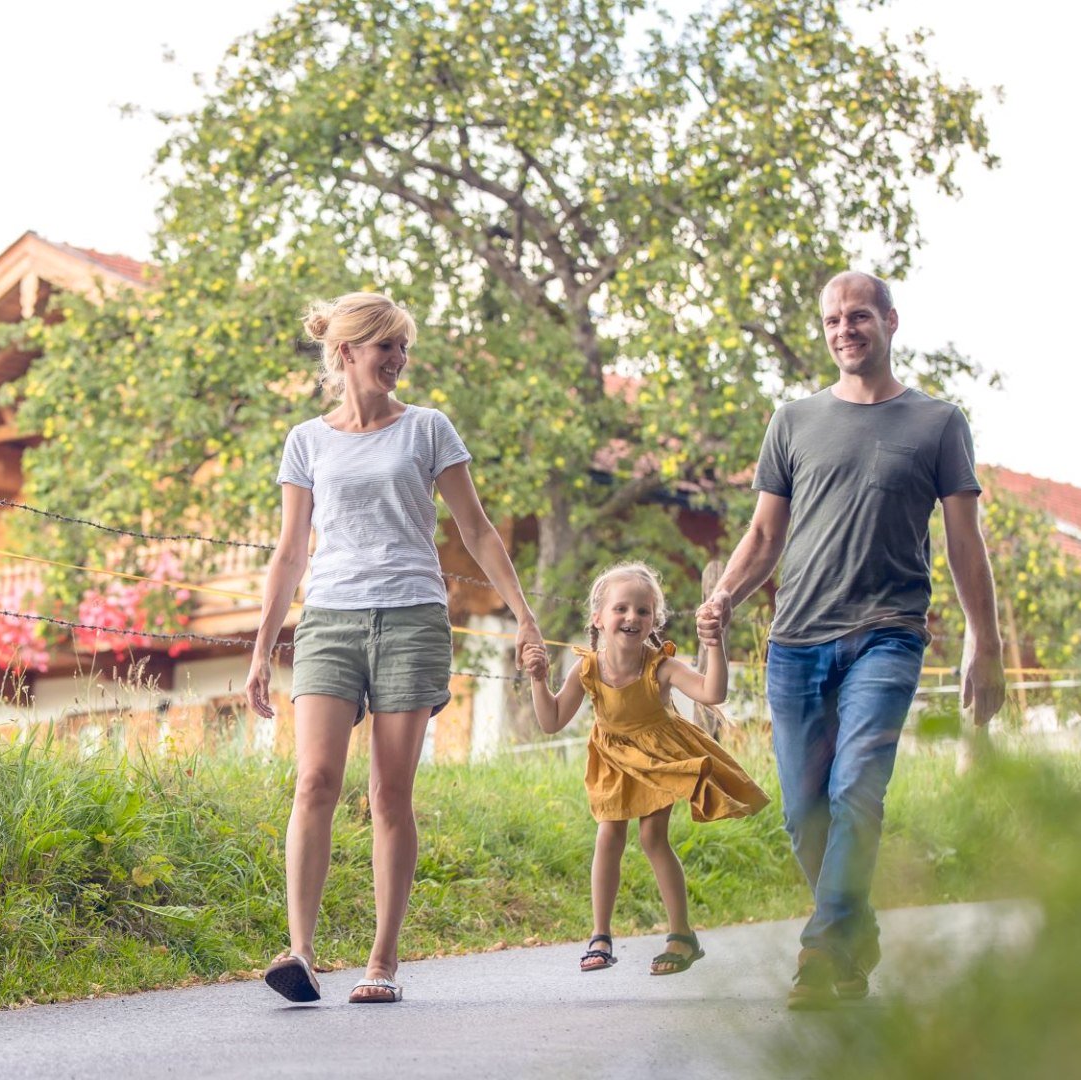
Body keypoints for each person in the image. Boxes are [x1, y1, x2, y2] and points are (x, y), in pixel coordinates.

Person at [697, 271, 1006, 1010]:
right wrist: (724, 596)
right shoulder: (794, 420)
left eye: (858, 316)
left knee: (855, 790)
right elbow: (766, 533)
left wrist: (983, 643)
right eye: (833, 319)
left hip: (888, 637)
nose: (844, 329)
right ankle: (854, 931)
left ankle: (821, 951)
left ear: (890, 322)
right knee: (803, 811)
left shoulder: (938, 423)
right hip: (797, 639)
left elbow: (966, 546)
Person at [245, 291, 543, 1005]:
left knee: (389, 791)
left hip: (412, 618)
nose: (399, 361)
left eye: (403, 349)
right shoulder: (306, 440)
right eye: (386, 347)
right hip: (331, 621)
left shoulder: (428, 430)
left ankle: (383, 961)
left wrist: (525, 615)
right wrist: (261, 647)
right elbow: (289, 553)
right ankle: (302, 952)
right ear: (347, 351)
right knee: (314, 780)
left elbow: (477, 531)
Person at [521, 562, 767, 977]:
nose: (632, 617)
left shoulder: (661, 667)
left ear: (655, 619)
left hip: (658, 755)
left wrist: (714, 644)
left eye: (643, 611)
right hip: (612, 756)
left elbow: (713, 692)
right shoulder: (587, 669)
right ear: (597, 618)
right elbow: (551, 721)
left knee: (654, 837)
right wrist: (538, 680)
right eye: (621, 609)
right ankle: (600, 934)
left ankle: (681, 934)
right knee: (609, 835)